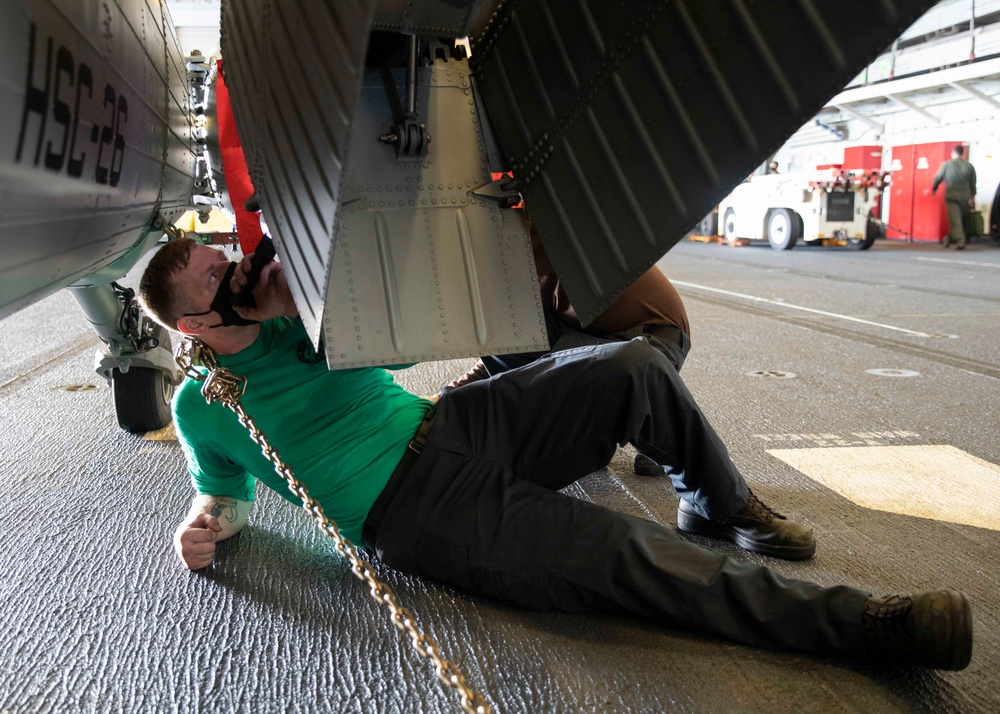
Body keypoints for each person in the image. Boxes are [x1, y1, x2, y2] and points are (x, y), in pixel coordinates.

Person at [137, 237, 974, 671]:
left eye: (227, 259)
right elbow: (224, 494)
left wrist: (305, 302)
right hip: (414, 510)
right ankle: (862, 626)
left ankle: (719, 502)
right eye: (217, 280)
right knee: (632, 554)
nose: (237, 271)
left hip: (454, 424)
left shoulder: (292, 323)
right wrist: (202, 525)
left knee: (633, 367)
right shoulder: (204, 403)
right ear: (191, 326)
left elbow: (397, 345)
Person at [442, 223, 690, 478]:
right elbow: (512, 343)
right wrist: (454, 391)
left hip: (656, 339)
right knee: (516, 328)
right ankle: (615, 420)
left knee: (558, 432)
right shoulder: (520, 247)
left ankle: (660, 418)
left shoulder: (535, 243)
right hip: (597, 333)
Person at [932, 145, 977, 250]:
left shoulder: (947, 165)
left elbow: (938, 178)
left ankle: (960, 240)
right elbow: (973, 184)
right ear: (963, 153)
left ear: (953, 153)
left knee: (955, 220)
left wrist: (934, 188)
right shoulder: (969, 166)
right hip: (965, 197)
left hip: (951, 196)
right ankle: (947, 239)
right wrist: (973, 198)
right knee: (957, 219)